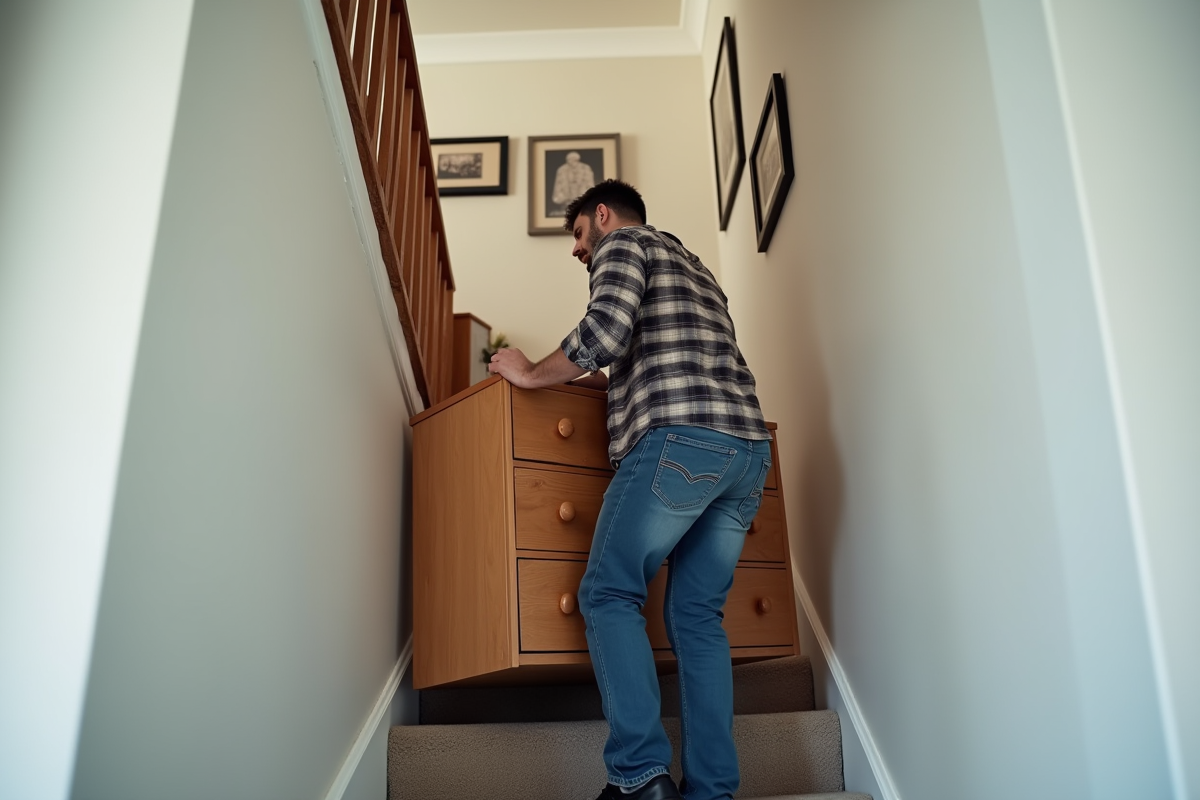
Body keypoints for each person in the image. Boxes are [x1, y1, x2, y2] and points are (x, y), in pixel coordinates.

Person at [487, 180, 771, 800]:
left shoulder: (624, 244)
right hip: (747, 451)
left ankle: (641, 777)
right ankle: (713, 790)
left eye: (579, 235)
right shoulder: (694, 267)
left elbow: (607, 332)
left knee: (610, 592)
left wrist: (531, 372)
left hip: (680, 442)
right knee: (697, 619)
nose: (578, 251)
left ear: (603, 214)